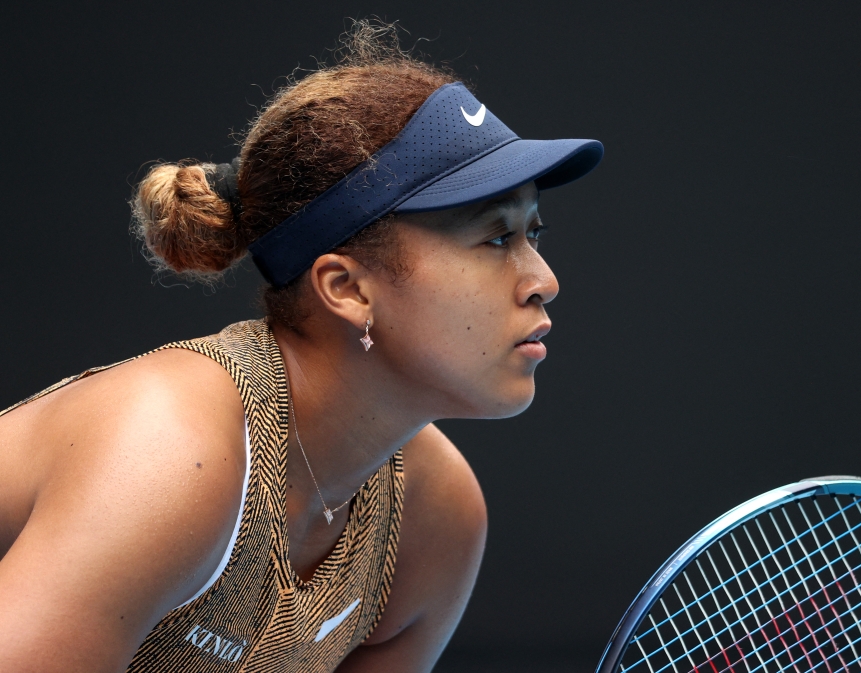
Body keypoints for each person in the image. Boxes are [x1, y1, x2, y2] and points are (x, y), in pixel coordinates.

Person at [0, 23, 602, 672]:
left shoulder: (435, 524)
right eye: (494, 238)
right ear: (347, 288)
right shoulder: (170, 450)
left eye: (533, 234)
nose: (544, 280)